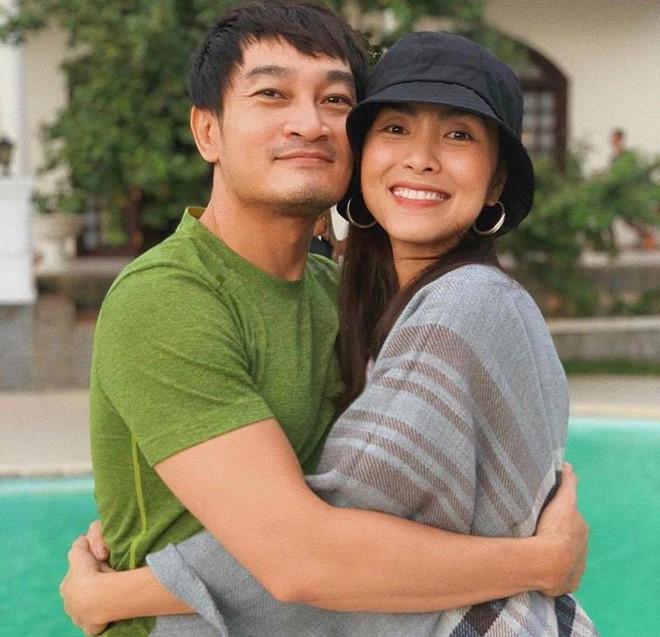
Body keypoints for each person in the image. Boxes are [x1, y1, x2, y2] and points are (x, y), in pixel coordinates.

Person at [61, 6, 590, 636]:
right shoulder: (168, 297)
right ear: (207, 131)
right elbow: (301, 556)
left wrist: (115, 595)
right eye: (272, 94)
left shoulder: (346, 296)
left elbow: (342, 536)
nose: (308, 123)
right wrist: (542, 562)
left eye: (335, 100)